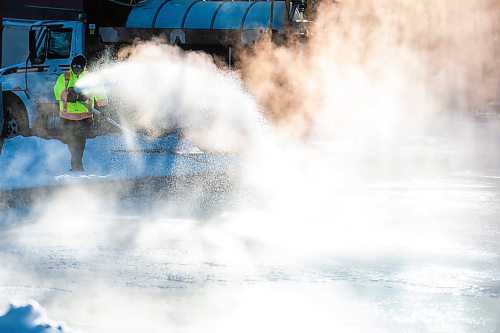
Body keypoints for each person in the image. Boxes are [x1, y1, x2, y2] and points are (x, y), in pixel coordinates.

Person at [53, 54, 107, 172]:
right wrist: (71, 96)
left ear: (84, 67)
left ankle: (77, 164)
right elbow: (58, 92)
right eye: (74, 65)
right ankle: (76, 161)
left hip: (84, 118)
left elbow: (100, 94)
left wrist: (103, 109)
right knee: (71, 140)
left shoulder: (89, 79)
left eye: (79, 66)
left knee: (80, 140)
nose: (76, 68)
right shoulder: (64, 77)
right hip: (67, 117)